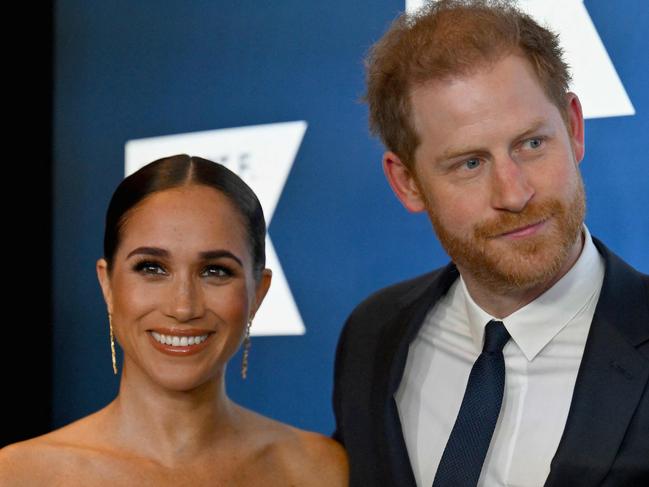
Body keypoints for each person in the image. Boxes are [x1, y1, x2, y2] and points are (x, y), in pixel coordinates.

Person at [332, 1, 648, 486]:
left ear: (574, 127)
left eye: (532, 144)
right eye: (470, 164)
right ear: (407, 183)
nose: (514, 193)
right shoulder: (373, 336)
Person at [0, 155, 348, 486]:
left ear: (258, 292)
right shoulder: (18, 475)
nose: (183, 307)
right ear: (107, 284)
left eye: (215, 271)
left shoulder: (321, 469)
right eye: (151, 268)